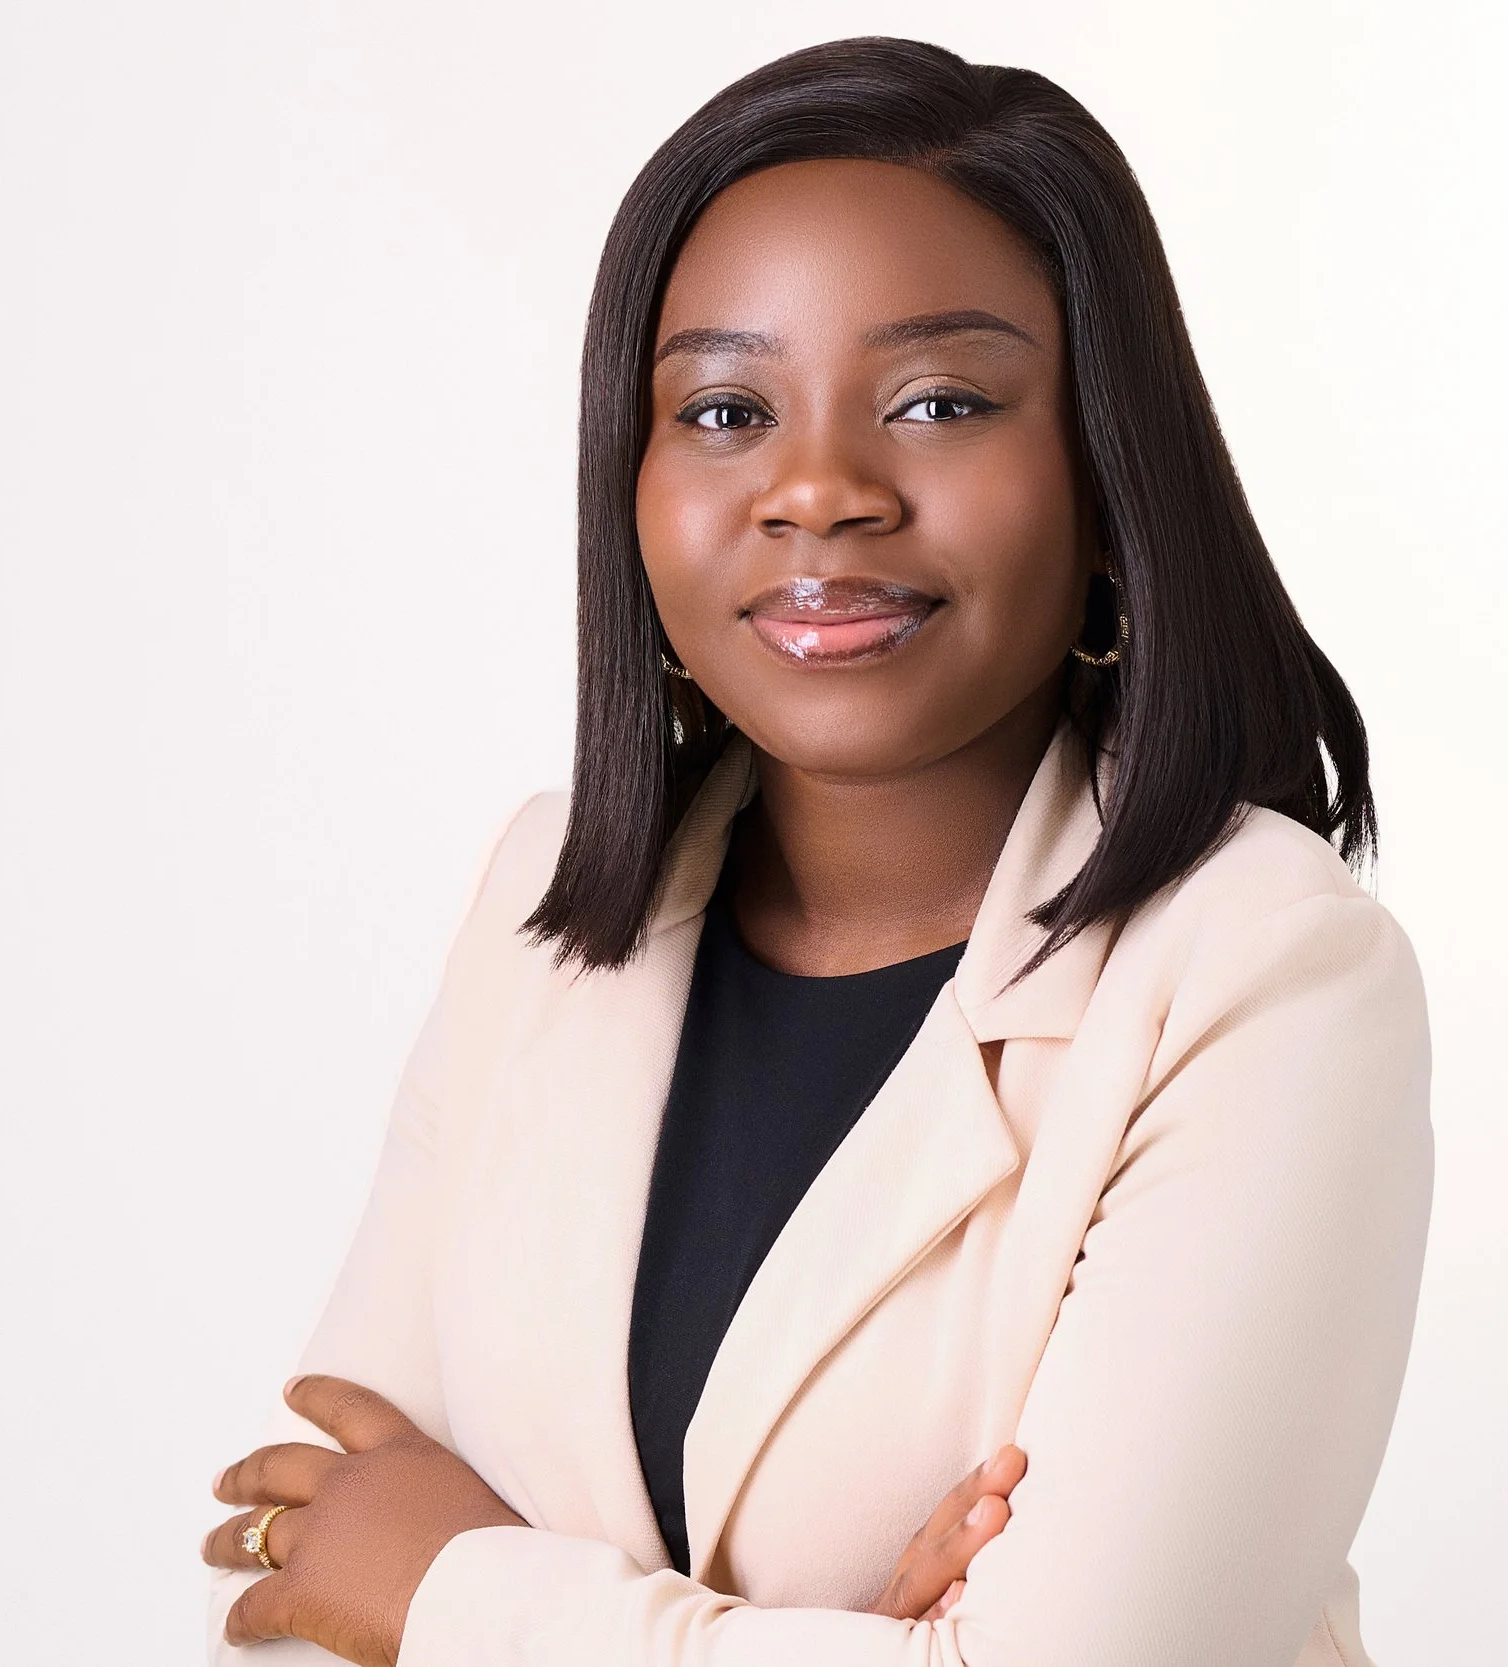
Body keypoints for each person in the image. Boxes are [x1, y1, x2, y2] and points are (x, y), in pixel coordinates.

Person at [200, 35, 1432, 1667]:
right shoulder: (542, 903)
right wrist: (828, 1641)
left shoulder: (1267, 970)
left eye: (939, 402)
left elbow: (391, 1587)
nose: (819, 489)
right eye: (725, 409)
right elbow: (290, 1590)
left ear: (1107, 472)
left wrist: (456, 1597)